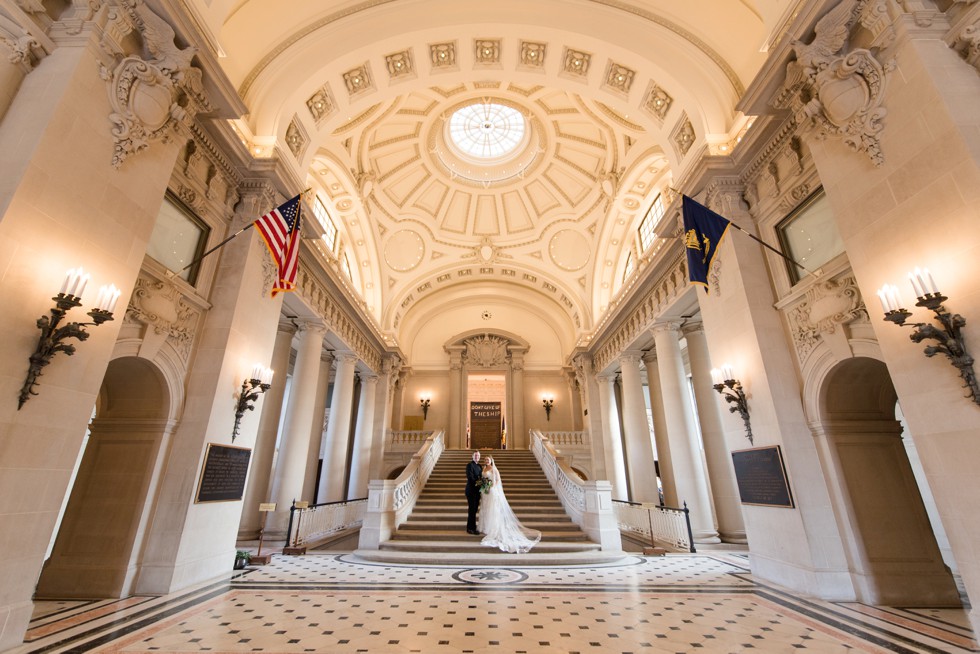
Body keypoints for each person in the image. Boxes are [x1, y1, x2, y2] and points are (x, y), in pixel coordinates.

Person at [477, 456, 542, 553]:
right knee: (486, 508)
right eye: (485, 459)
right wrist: (484, 486)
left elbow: (498, 480)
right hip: (485, 492)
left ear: (491, 460)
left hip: (492, 491)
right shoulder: (484, 468)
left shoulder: (494, 469)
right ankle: (486, 526)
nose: (486, 461)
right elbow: (483, 479)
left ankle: (493, 527)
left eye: (488, 459)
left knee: (492, 509)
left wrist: (491, 486)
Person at [465, 450, 482, 534]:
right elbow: (470, 478)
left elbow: (481, 478)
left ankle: (472, 527)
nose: (476, 457)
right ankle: (470, 528)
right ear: (472, 456)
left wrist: (486, 484)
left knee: (474, 510)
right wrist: (481, 483)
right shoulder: (469, 465)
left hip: (477, 492)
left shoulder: (479, 466)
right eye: (475, 455)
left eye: (478, 456)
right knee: (472, 509)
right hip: (471, 491)